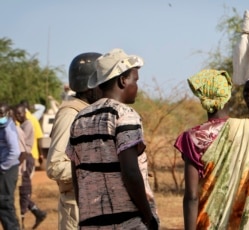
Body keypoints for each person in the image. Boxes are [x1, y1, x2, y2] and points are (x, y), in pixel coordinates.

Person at [66, 48, 159, 230]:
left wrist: (86, 215)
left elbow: (77, 174)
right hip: (129, 222)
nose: (137, 86)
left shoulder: (80, 118)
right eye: (135, 80)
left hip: (91, 223)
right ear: (123, 80)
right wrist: (148, 216)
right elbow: (131, 172)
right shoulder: (125, 114)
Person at [174, 69, 249, 229]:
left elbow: (191, 196)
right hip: (242, 222)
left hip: (207, 223)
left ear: (202, 97)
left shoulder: (193, 137)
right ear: (227, 95)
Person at [46, 52, 102, 230]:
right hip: (77, 208)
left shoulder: (92, 110)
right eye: (104, 83)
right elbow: (55, 165)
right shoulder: (70, 114)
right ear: (90, 86)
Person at [14, 104, 47, 229]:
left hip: (26, 158)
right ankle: (37, 212)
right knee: (20, 189)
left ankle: (22, 219)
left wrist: (41, 155)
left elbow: (38, 139)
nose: (18, 116)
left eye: (19, 113)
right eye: (16, 114)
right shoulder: (20, 125)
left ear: (25, 113)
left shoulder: (27, 125)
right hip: (25, 157)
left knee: (24, 188)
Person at [0, 102, 21, 230]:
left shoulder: (8, 127)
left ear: (8, 113)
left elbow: (15, 151)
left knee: (5, 202)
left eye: (2, 113)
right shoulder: (2, 126)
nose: (0, 115)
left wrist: (3, 167)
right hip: (5, 168)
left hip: (7, 169)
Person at [18, 100, 44, 165]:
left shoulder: (17, 119)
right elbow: (39, 139)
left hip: (19, 154)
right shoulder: (34, 119)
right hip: (32, 154)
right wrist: (41, 154)